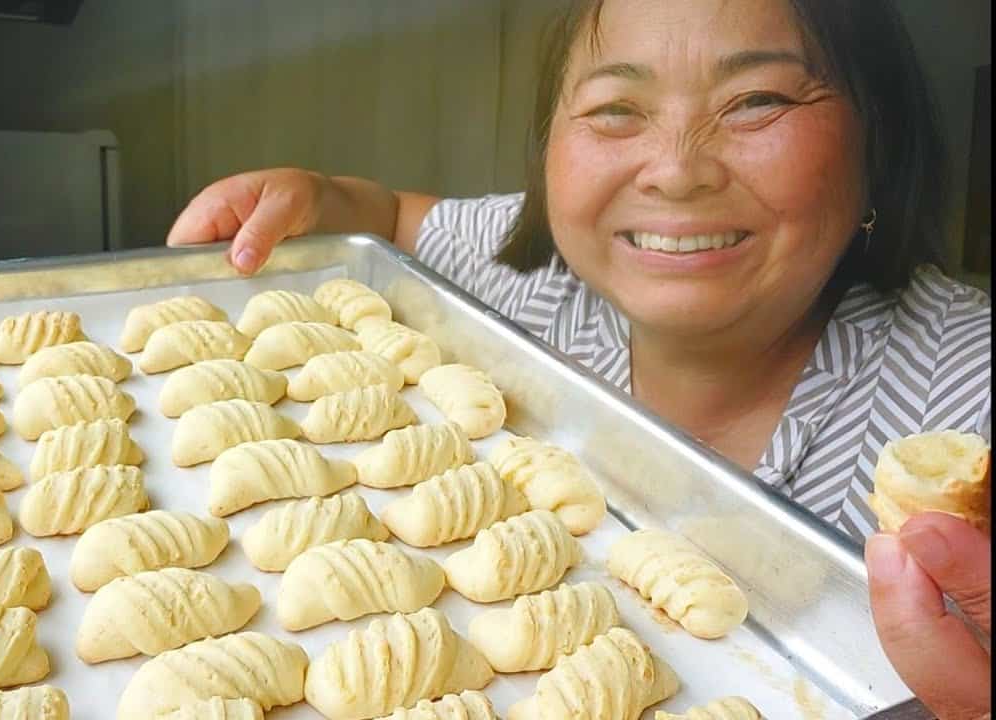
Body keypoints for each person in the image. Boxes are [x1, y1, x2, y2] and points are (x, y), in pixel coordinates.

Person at [165, 1, 991, 716]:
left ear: (875, 139)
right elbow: (388, 220)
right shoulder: (524, 275)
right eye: (614, 108)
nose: (674, 172)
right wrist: (324, 196)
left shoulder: (964, 391)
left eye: (757, 100)